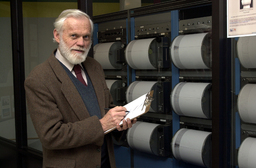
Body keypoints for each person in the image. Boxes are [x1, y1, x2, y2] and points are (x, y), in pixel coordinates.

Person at [25, 9, 136, 168]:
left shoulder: (94, 66)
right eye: (74, 36)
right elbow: (51, 136)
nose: (81, 43)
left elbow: (105, 109)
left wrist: (120, 120)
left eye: (86, 37)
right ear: (57, 35)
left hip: (105, 162)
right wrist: (103, 124)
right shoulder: (39, 78)